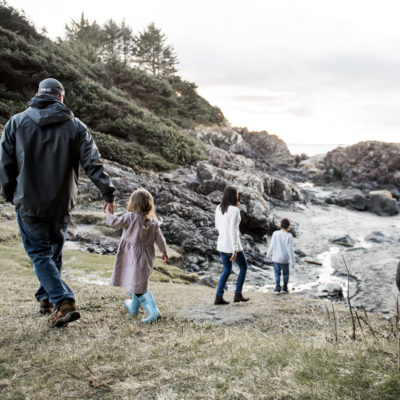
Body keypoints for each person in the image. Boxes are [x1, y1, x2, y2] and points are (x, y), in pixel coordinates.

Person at [0, 78, 116, 328]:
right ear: (61, 98)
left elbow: (5, 165)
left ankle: (63, 301)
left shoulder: (16, 123)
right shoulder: (76, 127)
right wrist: (108, 193)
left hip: (29, 202)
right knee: (53, 253)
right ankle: (46, 298)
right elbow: (93, 163)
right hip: (61, 204)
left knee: (41, 254)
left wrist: (11, 194)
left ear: (37, 95)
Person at [105, 188, 168, 323]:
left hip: (131, 257)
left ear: (133, 204)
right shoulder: (154, 223)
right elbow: (160, 240)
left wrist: (107, 211)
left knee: (139, 287)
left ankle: (153, 312)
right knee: (136, 281)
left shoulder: (130, 217)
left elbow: (113, 222)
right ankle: (133, 306)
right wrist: (164, 252)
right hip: (145, 259)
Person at [214, 185, 249, 305]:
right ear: (234, 196)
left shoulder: (219, 208)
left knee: (227, 270)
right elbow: (233, 230)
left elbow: (217, 226)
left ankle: (219, 296)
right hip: (232, 246)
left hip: (221, 244)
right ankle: (238, 294)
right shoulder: (235, 210)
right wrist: (235, 249)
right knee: (244, 267)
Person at [266, 218, 295, 295]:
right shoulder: (289, 236)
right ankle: (285, 288)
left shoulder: (275, 233)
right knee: (285, 274)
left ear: (280, 225)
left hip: (276, 258)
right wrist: (292, 262)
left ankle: (277, 289)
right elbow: (290, 250)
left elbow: (271, 245)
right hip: (285, 259)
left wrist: (268, 254)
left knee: (277, 274)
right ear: (288, 226)